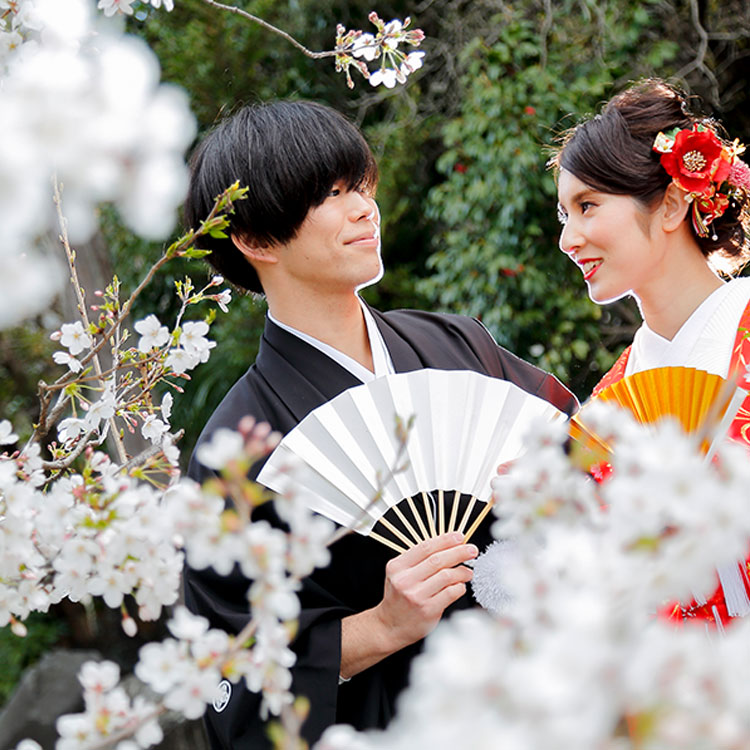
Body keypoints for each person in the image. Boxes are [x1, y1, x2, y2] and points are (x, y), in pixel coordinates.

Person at [182, 99, 578, 748]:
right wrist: (386, 625)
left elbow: (587, 451)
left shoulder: (457, 345)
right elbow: (235, 680)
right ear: (255, 241)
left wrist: (549, 490)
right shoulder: (237, 453)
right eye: (332, 195)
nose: (365, 208)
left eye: (362, 186)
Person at [552, 78, 750, 626]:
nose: (569, 239)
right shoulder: (613, 398)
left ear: (670, 204)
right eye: (564, 215)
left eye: (587, 206)